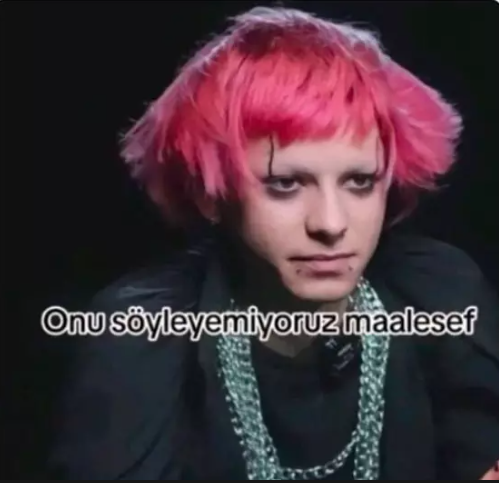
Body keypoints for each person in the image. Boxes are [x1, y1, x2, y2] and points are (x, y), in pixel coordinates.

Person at [48, 6, 499, 480]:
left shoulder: (438, 293)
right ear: (210, 196)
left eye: (360, 182)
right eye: (285, 184)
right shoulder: (143, 335)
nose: (331, 223)